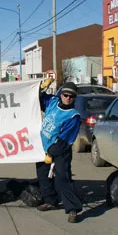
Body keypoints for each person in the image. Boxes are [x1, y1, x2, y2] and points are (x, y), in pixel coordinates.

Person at [36, 79, 84, 223]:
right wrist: (42, 87)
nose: (68, 98)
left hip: (60, 150)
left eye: (71, 96)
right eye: (66, 95)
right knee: (43, 175)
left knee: (63, 178)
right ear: (61, 94)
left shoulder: (73, 116)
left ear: (74, 98)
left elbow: (65, 140)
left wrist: (51, 153)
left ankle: (73, 208)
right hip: (43, 146)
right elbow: (36, 99)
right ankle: (50, 200)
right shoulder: (52, 102)